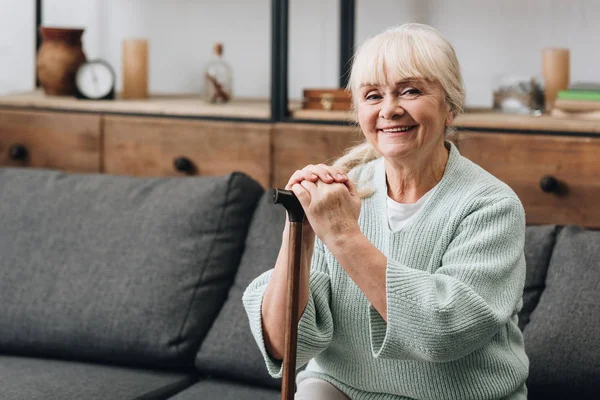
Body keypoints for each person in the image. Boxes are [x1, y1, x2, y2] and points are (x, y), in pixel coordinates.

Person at [243, 23, 528, 400]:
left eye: (410, 91)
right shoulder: (342, 195)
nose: (390, 109)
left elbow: (444, 331)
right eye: (373, 95)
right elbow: (283, 345)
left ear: (451, 107)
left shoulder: (491, 205)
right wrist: (302, 232)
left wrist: (343, 235)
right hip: (343, 388)